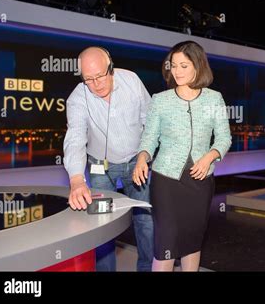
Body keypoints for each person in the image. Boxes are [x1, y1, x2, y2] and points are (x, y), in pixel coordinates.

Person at [133, 41, 232, 271]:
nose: (176, 71)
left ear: (198, 66)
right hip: (166, 180)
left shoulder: (213, 99)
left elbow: (224, 138)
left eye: (183, 65)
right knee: (165, 245)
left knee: (192, 242)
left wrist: (209, 157)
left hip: (200, 181)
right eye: (173, 65)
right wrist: (141, 158)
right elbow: (149, 139)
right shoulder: (160, 100)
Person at [63, 46, 154, 271]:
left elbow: (150, 121)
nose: (96, 84)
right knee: (102, 223)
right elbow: (75, 138)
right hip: (100, 167)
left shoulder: (131, 81)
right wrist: (76, 180)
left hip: (137, 161)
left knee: (145, 220)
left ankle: (147, 268)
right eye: (88, 79)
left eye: (100, 76)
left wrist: (145, 155)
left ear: (111, 68)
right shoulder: (77, 98)